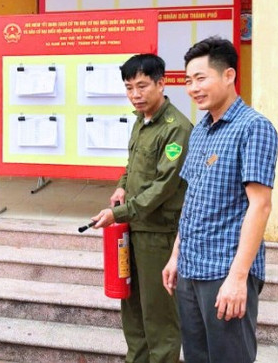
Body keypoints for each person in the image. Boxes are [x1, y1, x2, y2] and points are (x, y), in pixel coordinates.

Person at [162, 36, 278, 363]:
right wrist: (176, 256)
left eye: (200, 78)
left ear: (229, 75)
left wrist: (238, 277)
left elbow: (260, 205)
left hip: (225, 271)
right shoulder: (201, 130)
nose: (193, 88)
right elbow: (192, 198)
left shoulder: (254, 128)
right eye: (188, 80)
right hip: (191, 269)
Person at [90, 54, 192, 363]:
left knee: (159, 317)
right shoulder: (140, 120)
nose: (135, 94)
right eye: (129, 87)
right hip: (132, 229)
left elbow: (164, 186)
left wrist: (118, 214)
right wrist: (122, 185)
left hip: (157, 234)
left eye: (142, 86)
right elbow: (132, 165)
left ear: (162, 84)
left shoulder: (176, 128)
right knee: (132, 310)